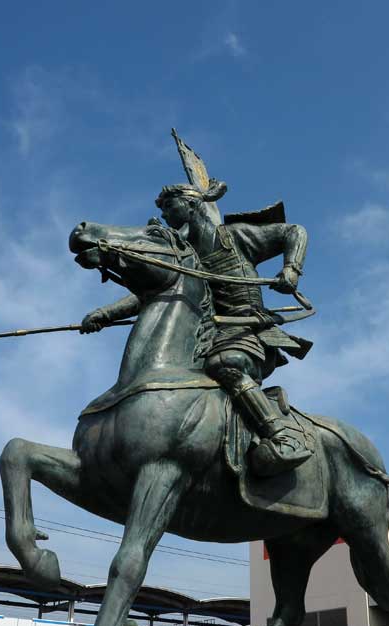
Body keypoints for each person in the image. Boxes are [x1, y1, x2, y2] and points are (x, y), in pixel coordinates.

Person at [81, 179, 313, 477]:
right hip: (208, 334)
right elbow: (151, 294)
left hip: (247, 331)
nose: (164, 214)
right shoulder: (185, 255)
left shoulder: (234, 237)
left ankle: (280, 435)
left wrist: (291, 269)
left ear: (191, 204)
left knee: (224, 365)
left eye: (168, 206)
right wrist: (105, 313)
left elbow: (294, 231)